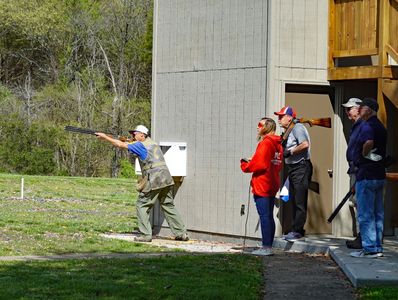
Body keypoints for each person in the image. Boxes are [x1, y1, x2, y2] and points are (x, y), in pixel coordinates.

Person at [96, 125, 189, 242]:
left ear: (142, 135)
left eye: (135, 134)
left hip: (154, 179)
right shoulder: (152, 143)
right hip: (166, 179)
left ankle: (145, 235)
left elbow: (120, 145)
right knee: (168, 205)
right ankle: (181, 233)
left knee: (142, 205)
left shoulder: (140, 145)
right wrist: (128, 141)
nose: (133, 136)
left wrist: (105, 137)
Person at [349, 98, 387, 258]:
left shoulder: (368, 125)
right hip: (379, 174)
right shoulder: (380, 126)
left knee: (365, 214)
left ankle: (369, 248)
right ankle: (377, 247)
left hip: (366, 174)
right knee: (378, 213)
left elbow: (369, 142)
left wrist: (364, 154)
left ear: (369, 109)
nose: (359, 110)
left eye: (362, 107)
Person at [240, 117, 283, 256]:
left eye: (260, 125)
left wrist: (245, 164)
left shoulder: (265, 143)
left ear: (267, 127)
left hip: (263, 183)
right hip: (273, 182)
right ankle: (268, 245)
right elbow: (276, 162)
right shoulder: (278, 143)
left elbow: (260, 164)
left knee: (264, 216)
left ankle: (266, 247)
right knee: (269, 216)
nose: (257, 127)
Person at [274, 106, 313, 242]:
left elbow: (305, 144)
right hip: (294, 168)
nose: (278, 119)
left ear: (289, 118)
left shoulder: (297, 128)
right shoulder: (289, 130)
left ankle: (298, 231)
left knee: (299, 200)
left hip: (301, 167)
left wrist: (289, 152)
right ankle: (294, 229)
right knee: (291, 198)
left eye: (281, 116)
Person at [342, 98, 363, 249]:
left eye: (350, 109)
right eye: (347, 109)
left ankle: (363, 238)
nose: (347, 112)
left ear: (359, 109)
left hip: (360, 171)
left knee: (361, 204)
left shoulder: (363, 126)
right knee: (357, 204)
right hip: (355, 170)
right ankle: (361, 238)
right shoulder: (356, 126)